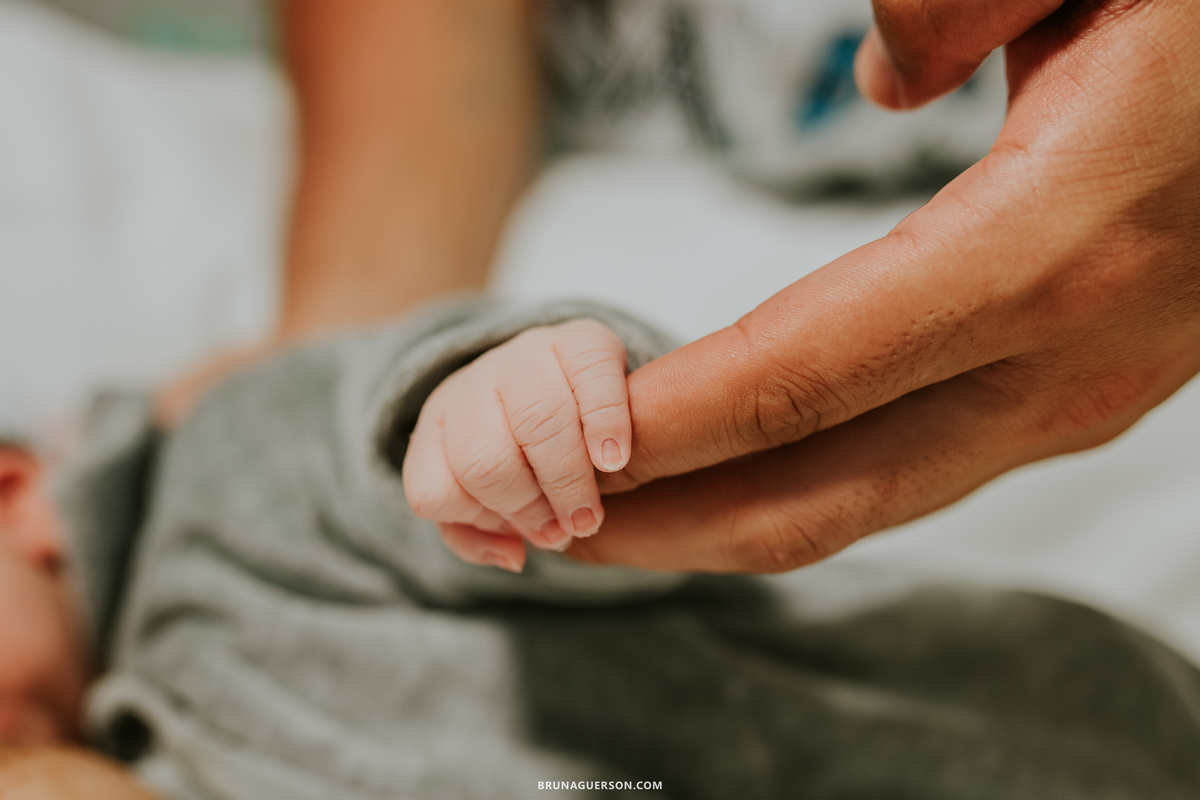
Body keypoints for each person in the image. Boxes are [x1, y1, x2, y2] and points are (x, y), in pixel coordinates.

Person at [4, 297, 1200, 799]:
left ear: (16, 496)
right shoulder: (128, 760)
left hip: (1006, 742)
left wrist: (494, 410)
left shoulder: (218, 483)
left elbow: (373, 426)